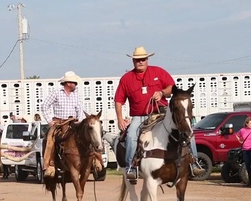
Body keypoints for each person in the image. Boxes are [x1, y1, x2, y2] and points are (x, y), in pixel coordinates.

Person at [114, 46, 204, 180]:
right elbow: (118, 100)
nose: (140, 62)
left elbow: (172, 88)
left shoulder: (159, 72)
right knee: (131, 135)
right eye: (137, 60)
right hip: (139, 116)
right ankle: (131, 167)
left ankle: (194, 163)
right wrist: (120, 118)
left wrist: (162, 92)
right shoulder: (126, 79)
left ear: (147, 59)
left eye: (143, 59)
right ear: (133, 61)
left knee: (188, 131)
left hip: (161, 112)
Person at [41, 71, 96, 177]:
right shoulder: (56, 92)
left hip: (74, 123)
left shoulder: (76, 95)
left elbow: (80, 109)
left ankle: (94, 160)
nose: (76, 84)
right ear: (68, 83)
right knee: (50, 138)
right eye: (74, 82)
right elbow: (45, 106)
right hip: (60, 123)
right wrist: (50, 121)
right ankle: (50, 164)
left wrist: (79, 121)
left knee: (89, 136)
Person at [236, 117, 251, 187]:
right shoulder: (242, 130)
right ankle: (249, 181)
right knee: (247, 166)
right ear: (246, 123)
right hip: (245, 150)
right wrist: (240, 141)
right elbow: (237, 135)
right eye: (250, 123)